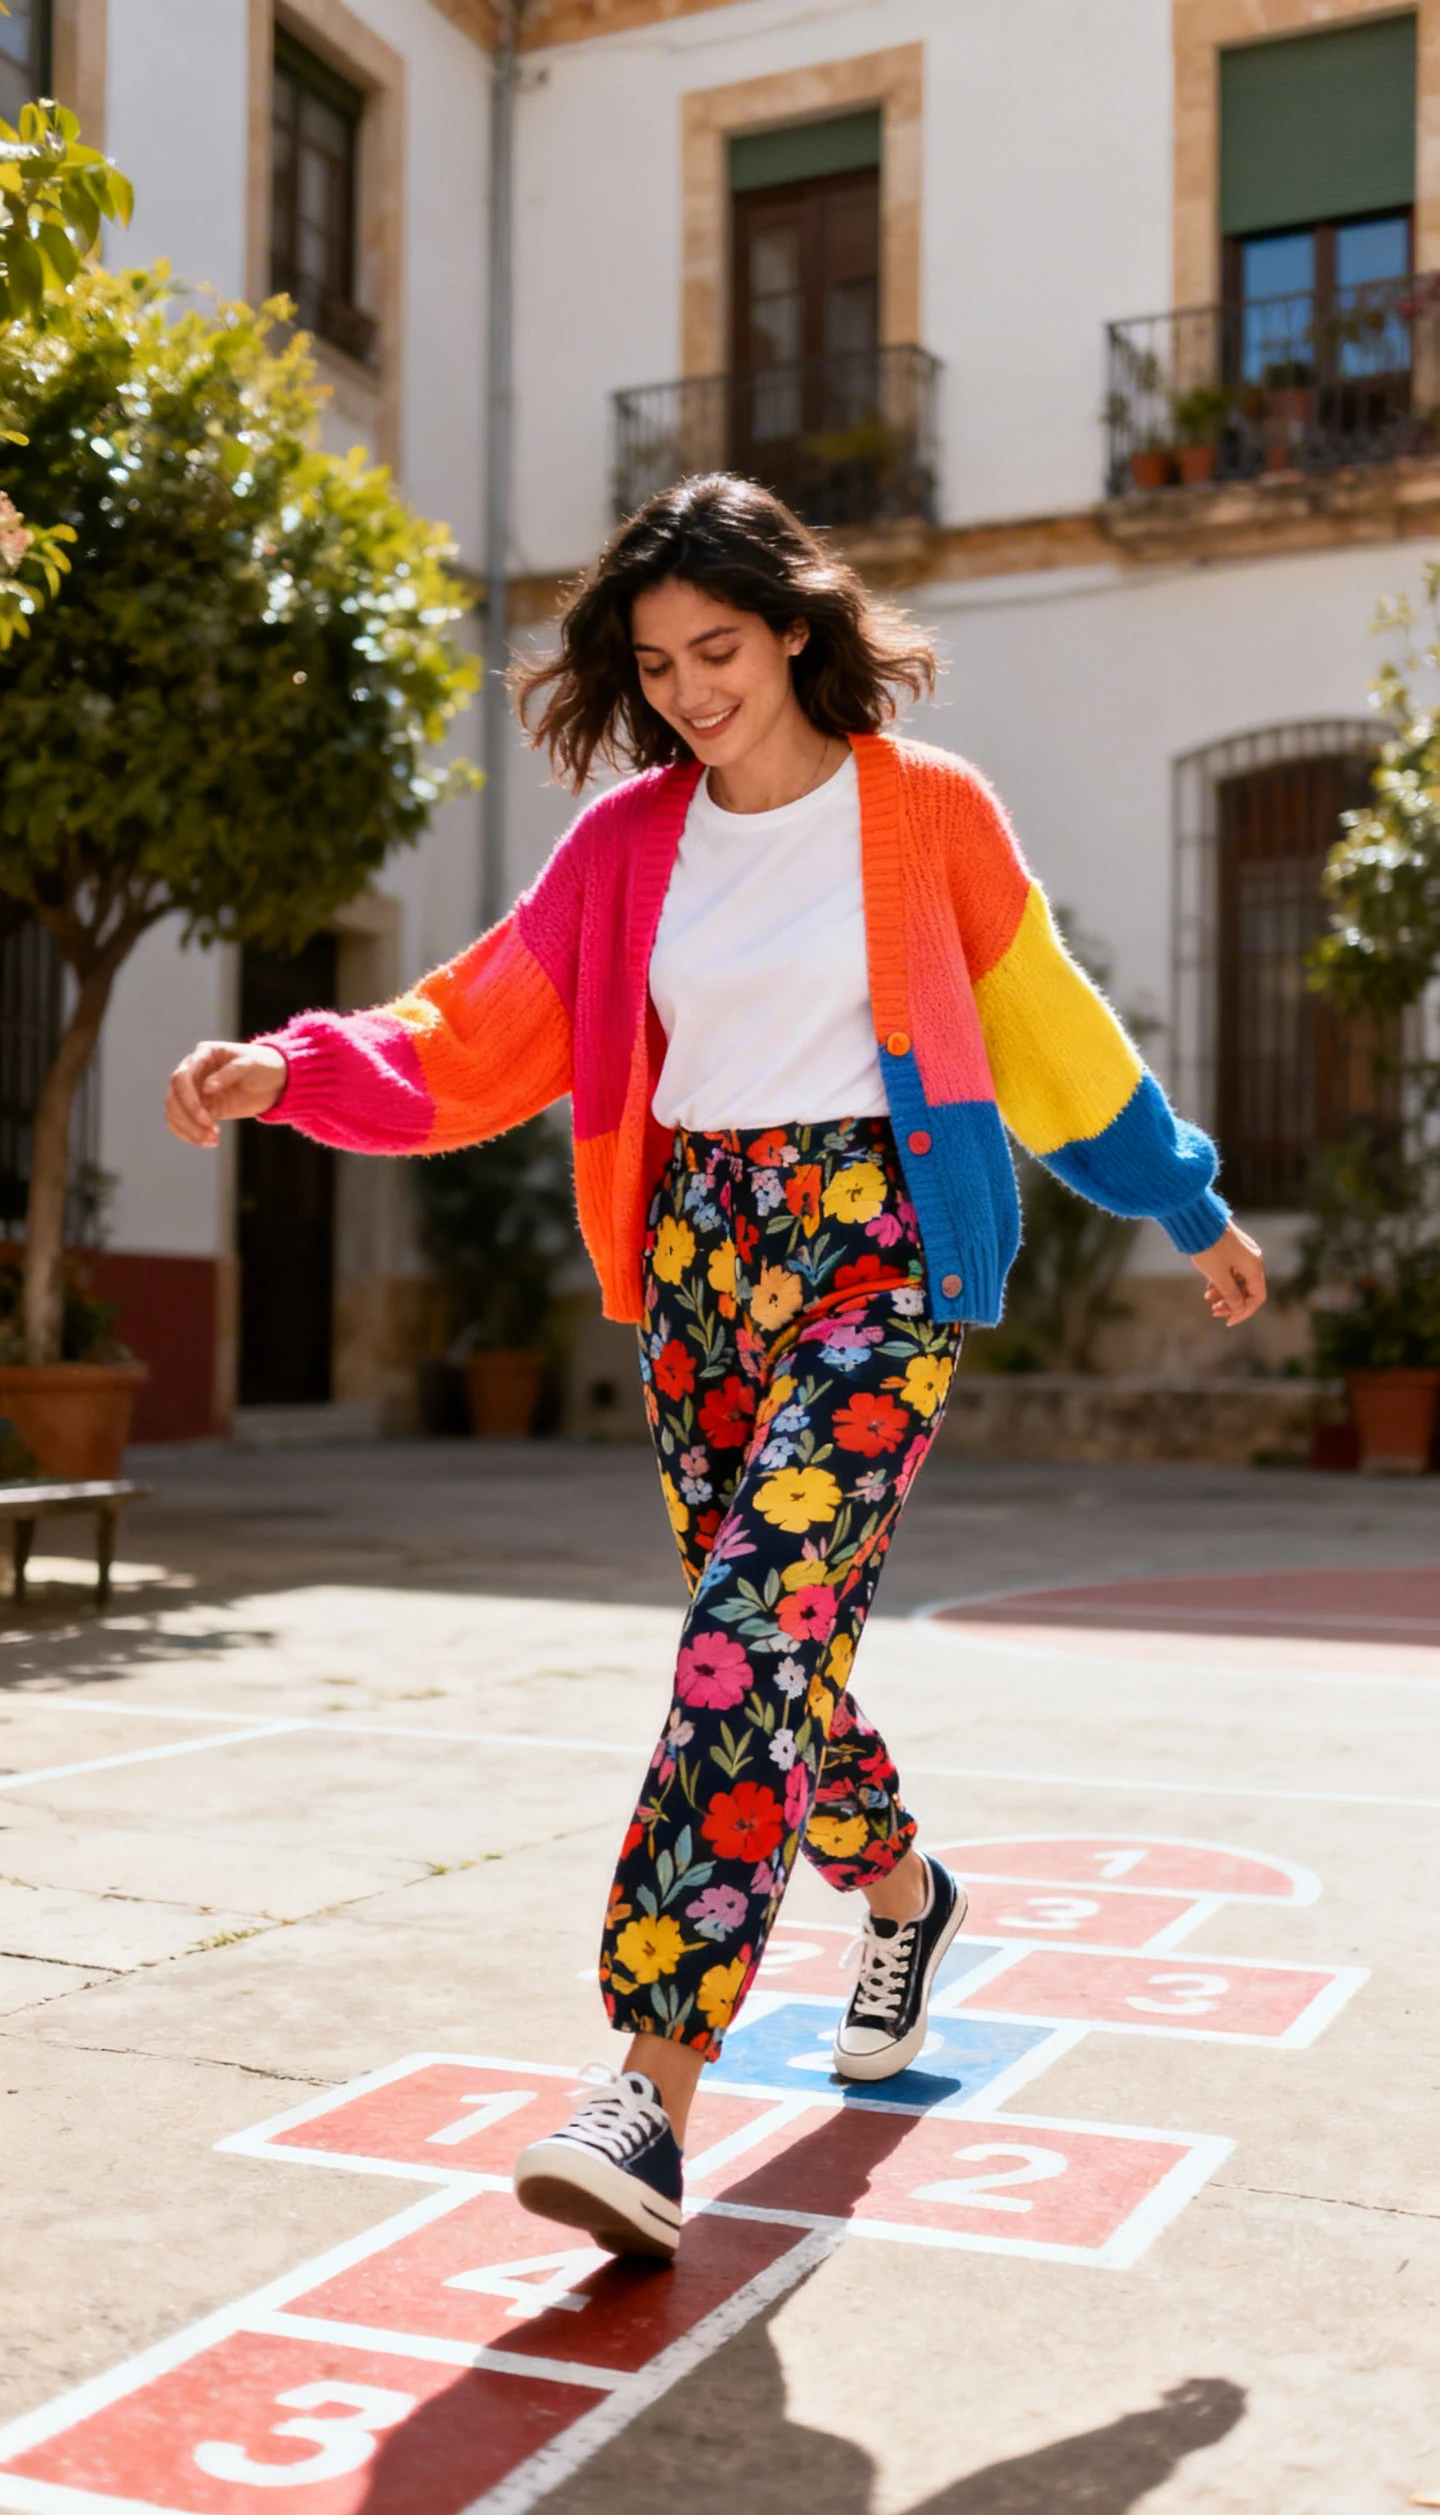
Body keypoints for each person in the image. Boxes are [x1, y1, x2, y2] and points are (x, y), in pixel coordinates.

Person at [165, 474, 1265, 2265]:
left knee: (743, 1638)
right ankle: (903, 1894)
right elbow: (473, 1025)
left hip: (877, 1258)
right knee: (775, 1657)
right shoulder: (626, 849)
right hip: (701, 1270)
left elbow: (1051, 1031)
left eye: (720, 647)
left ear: (801, 629)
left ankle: (646, 2096)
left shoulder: (929, 816)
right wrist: (293, 1070)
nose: (688, 686)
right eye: (657, 659)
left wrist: (1182, 1202)